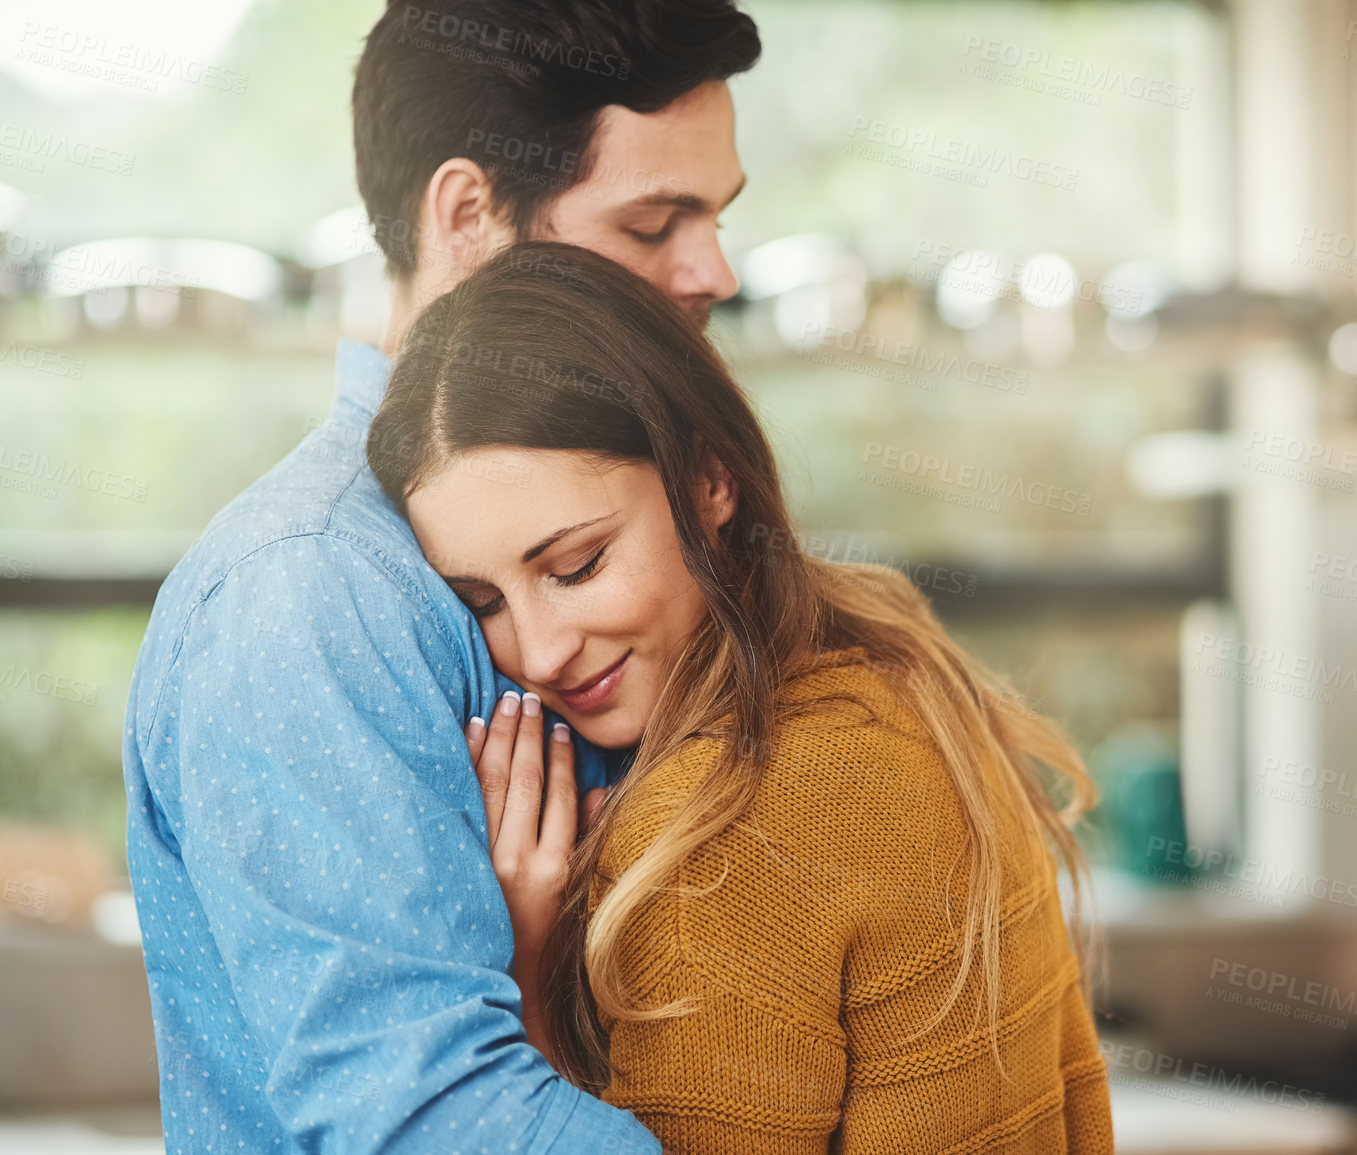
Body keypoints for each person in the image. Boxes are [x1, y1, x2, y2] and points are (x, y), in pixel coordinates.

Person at [121, 2, 758, 1150]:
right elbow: (425, 1114)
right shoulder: (310, 593)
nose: (712, 269)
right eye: (655, 222)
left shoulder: (664, 502)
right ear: (468, 215)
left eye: (714, 215)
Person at [366, 240, 1116, 1152]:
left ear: (708, 477)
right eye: (483, 602)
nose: (541, 651)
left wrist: (524, 985)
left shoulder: (719, 834)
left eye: (576, 564)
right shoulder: (891, 657)